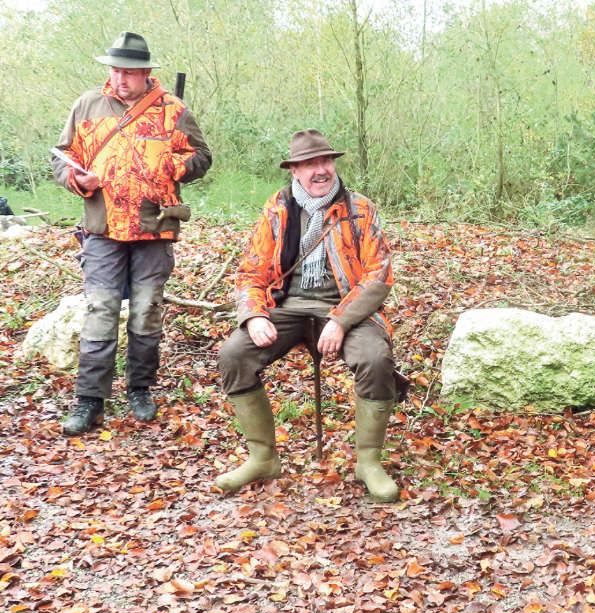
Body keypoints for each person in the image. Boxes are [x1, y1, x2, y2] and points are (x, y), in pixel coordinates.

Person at [214, 129, 400, 502]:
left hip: (347, 305)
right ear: (295, 170)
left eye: (325, 161)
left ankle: (368, 462)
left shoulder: (360, 209)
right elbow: (251, 272)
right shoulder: (277, 209)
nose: (320, 170)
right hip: (289, 306)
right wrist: (254, 316)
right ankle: (263, 457)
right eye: (310, 164)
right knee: (234, 355)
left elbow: (378, 276)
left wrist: (341, 319)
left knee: (375, 359)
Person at [53, 31, 211, 434]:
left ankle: (140, 388)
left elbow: (200, 157)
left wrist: (170, 166)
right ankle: (89, 400)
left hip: (153, 226)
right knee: (100, 313)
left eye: (129, 72)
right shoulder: (87, 105)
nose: (120, 79)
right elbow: (63, 158)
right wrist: (78, 180)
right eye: (115, 70)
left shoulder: (172, 110)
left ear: (145, 73)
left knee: (145, 311)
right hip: (102, 228)